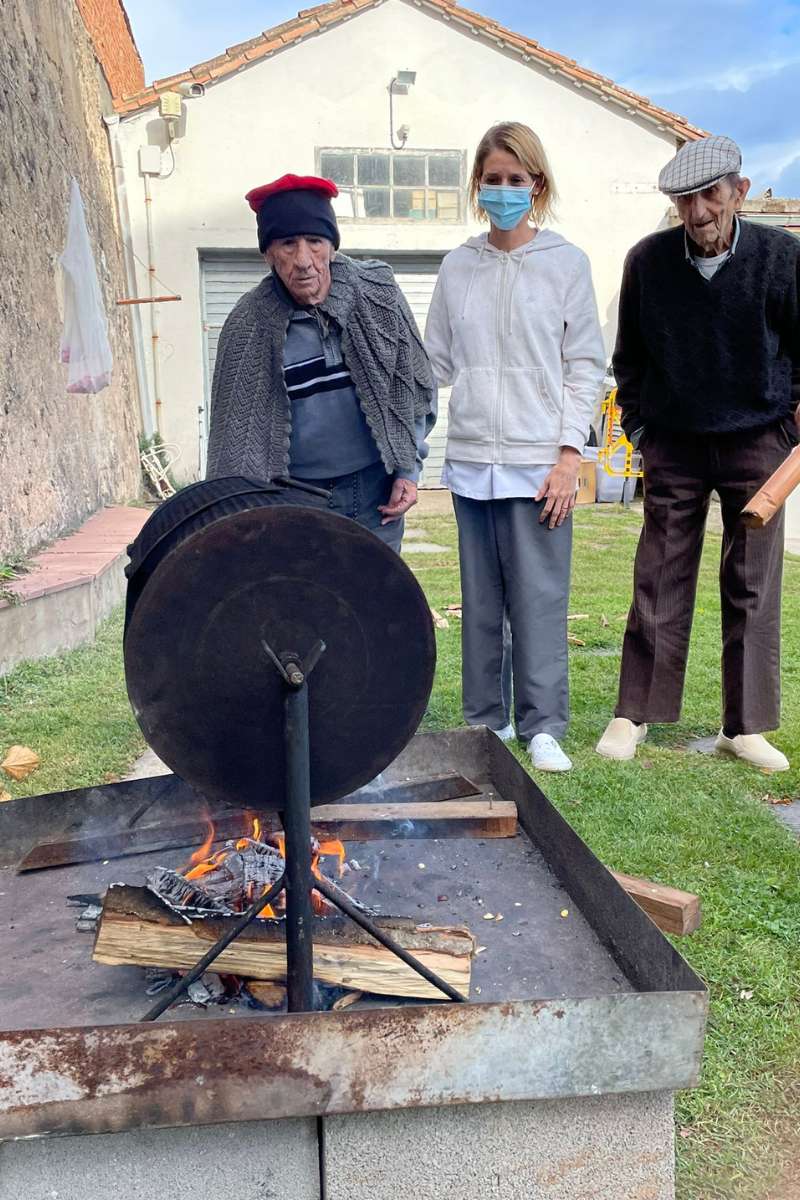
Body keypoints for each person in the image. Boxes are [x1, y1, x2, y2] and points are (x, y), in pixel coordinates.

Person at [596, 135, 800, 770]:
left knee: (753, 585)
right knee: (658, 574)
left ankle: (744, 729)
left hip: (759, 441)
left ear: (739, 192)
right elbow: (628, 359)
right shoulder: (648, 262)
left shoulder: (782, 257)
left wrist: (787, 434)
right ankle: (635, 714)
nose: (700, 212)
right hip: (675, 443)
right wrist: (642, 431)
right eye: (686, 200)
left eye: (711, 194)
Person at [424, 122, 605, 771]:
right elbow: (434, 364)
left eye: (515, 179)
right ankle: (486, 723)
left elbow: (584, 364)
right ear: (479, 186)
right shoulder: (457, 267)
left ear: (537, 185)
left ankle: (544, 725)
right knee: (481, 604)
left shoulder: (566, 265)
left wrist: (568, 457)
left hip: (539, 467)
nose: (503, 190)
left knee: (540, 600)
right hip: (472, 462)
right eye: (492, 179)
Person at [206, 174, 436, 551]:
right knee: (303, 606)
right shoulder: (247, 324)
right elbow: (233, 442)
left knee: (380, 606)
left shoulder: (378, 293)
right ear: (267, 254)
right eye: (287, 244)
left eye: (314, 242)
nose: (303, 261)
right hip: (294, 499)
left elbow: (414, 390)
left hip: (375, 494)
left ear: (331, 245)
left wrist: (408, 471)